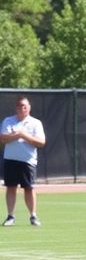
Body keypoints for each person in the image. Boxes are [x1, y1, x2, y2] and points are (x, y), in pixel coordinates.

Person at [0, 96, 46, 226]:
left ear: (29, 108)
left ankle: (33, 216)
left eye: (24, 106)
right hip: (11, 160)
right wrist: (17, 135)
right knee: (11, 188)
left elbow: (41, 142)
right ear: (16, 108)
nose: (22, 109)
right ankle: (10, 216)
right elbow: (3, 138)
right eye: (20, 106)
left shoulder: (35, 123)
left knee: (29, 188)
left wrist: (23, 135)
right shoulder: (8, 121)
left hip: (28, 161)